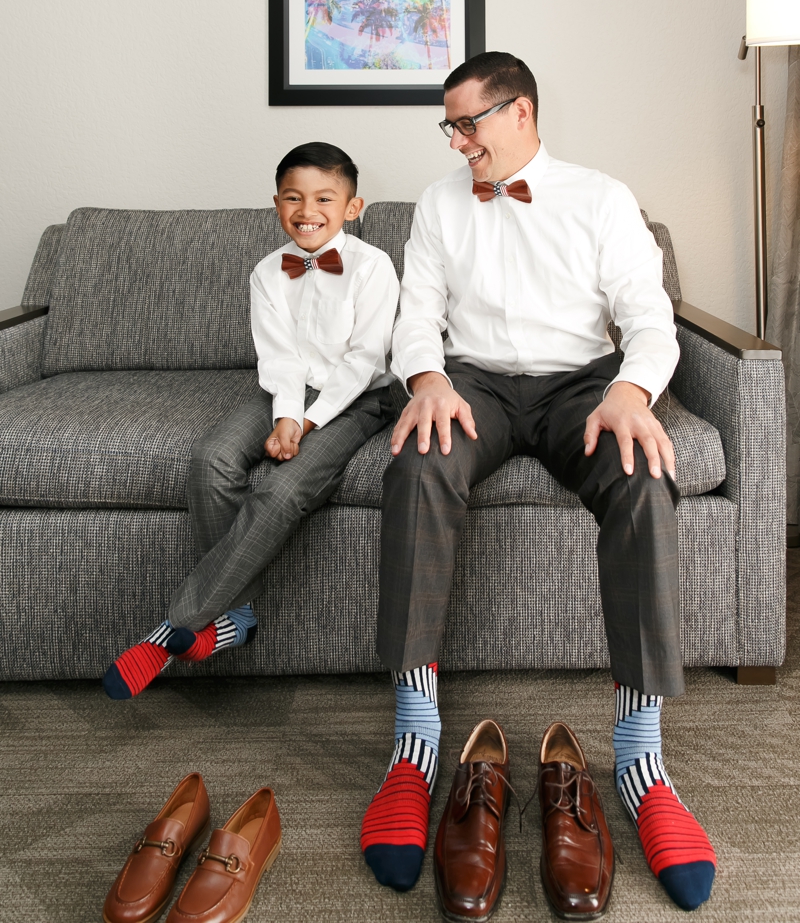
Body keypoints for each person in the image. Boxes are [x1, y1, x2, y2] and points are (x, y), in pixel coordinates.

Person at [360, 53, 717, 913]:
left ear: (519, 112)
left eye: (467, 123)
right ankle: (414, 744)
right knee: (413, 464)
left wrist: (632, 394)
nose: (456, 141)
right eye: (448, 126)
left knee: (641, 471)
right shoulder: (443, 203)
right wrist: (428, 381)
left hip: (579, 385)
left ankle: (640, 756)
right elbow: (417, 315)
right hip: (472, 383)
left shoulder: (601, 197)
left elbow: (647, 317)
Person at [103, 142, 399, 700]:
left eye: (324, 198)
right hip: (286, 388)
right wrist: (286, 413)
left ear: (352, 208)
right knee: (210, 458)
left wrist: (306, 425)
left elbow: (364, 361)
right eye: (293, 198)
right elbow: (280, 358)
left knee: (283, 488)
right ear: (276, 203)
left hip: (356, 397)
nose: (307, 210)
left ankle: (175, 629)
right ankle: (235, 616)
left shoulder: (373, 266)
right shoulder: (268, 271)